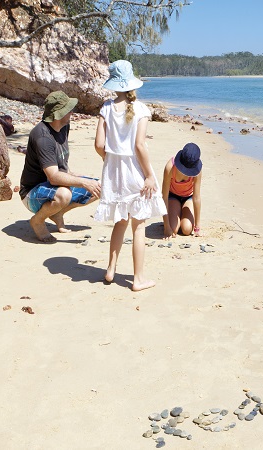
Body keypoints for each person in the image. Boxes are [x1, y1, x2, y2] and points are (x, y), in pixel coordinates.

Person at [94, 60, 166, 291]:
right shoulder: (142, 110)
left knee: (120, 221)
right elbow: (140, 146)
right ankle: (138, 279)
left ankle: (110, 269)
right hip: (135, 169)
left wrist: (109, 161)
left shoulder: (106, 108)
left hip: (113, 172)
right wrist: (149, 176)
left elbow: (98, 144)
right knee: (139, 225)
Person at [19, 91, 101, 243]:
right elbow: (54, 177)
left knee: (98, 188)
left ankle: (57, 213)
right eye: (68, 109)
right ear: (58, 114)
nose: (71, 112)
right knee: (64, 194)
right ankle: (38, 221)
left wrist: (78, 178)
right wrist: (83, 182)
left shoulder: (64, 126)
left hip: (53, 184)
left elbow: (62, 163)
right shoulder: (43, 137)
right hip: (32, 192)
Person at [161, 143, 203, 239]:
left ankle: (180, 213)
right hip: (173, 196)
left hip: (188, 198)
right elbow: (164, 196)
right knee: (173, 229)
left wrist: (197, 227)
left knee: (187, 230)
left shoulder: (197, 171)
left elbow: (196, 197)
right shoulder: (170, 167)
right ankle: (176, 213)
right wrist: (166, 226)